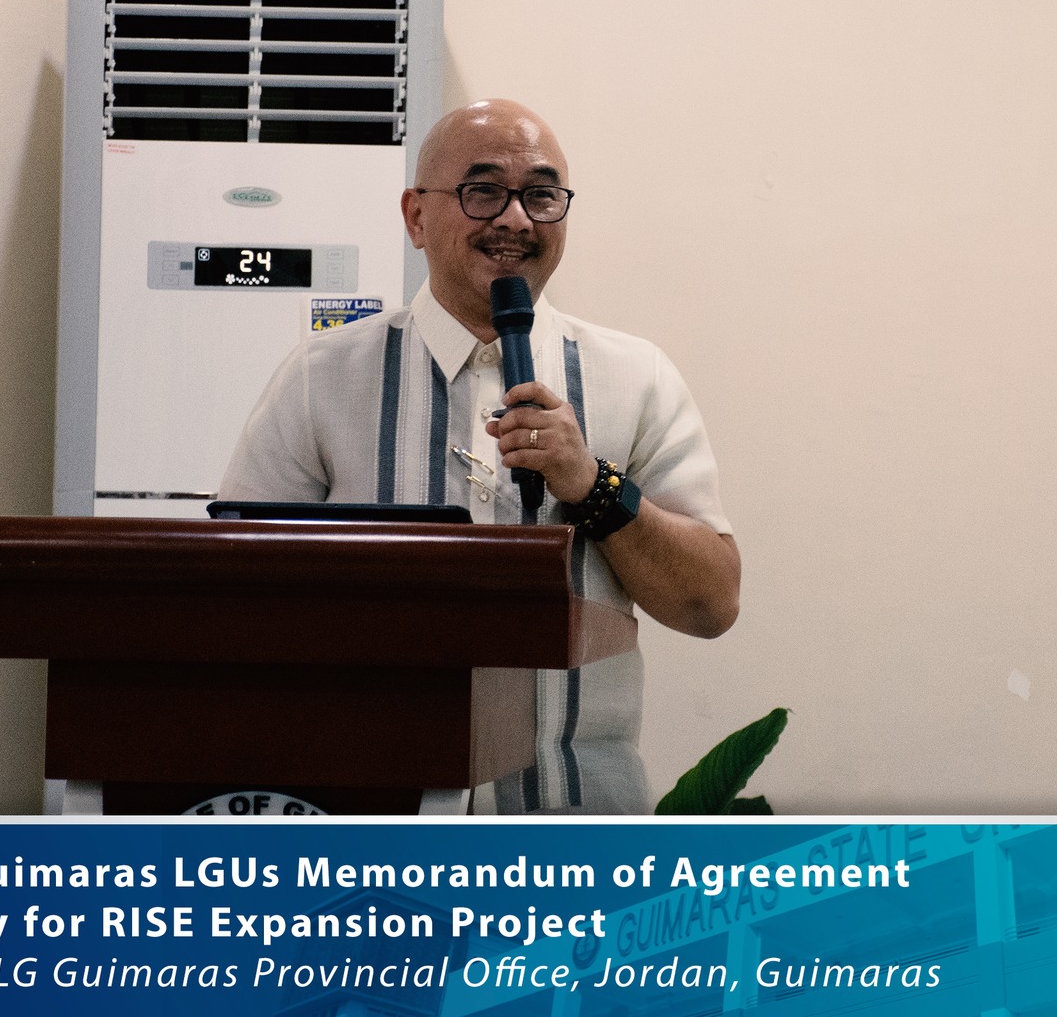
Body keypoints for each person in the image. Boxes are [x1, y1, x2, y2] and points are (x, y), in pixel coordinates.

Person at [220, 99, 739, 814]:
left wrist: (593, 486)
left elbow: (710, 604)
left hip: (578, 830)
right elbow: (230, 607)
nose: (517, 219)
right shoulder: (322, 378)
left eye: (542, 195)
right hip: (372, 828)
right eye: (483, 190)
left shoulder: (636, 376)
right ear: (416, 216)